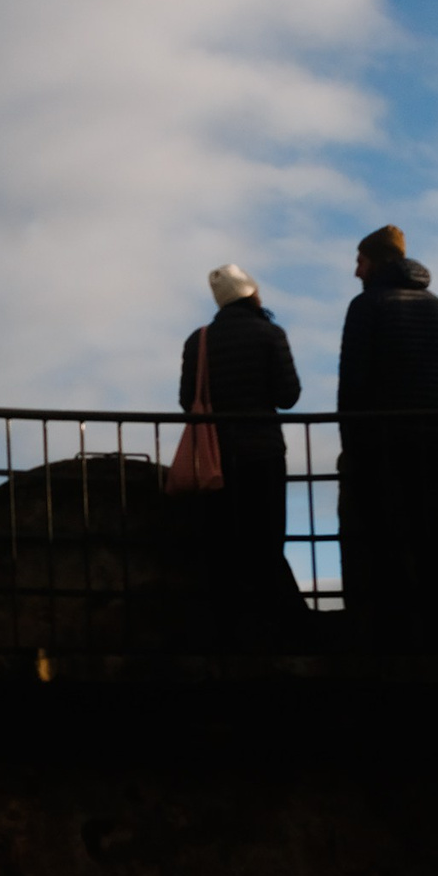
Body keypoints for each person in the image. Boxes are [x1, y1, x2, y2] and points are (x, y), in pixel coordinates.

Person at [335, 226, 438, 637]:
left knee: (384, 538)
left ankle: (395, 632)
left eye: (360, 261)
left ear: (376, 261)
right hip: (428, 437)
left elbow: (352, 382)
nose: (356, 271)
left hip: (378, 439)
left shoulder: (367, 305)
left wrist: (352, 445)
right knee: (430, 533)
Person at [179, 263, 303, 638]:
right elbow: (289, 396)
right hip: (263, 451)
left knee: (220, 542)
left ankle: (227, 629)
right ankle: (276, 627)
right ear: (252, 294)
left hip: (215, 456)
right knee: (266, 539)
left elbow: (188, 401)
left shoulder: (197, 340)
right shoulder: (270, 334)